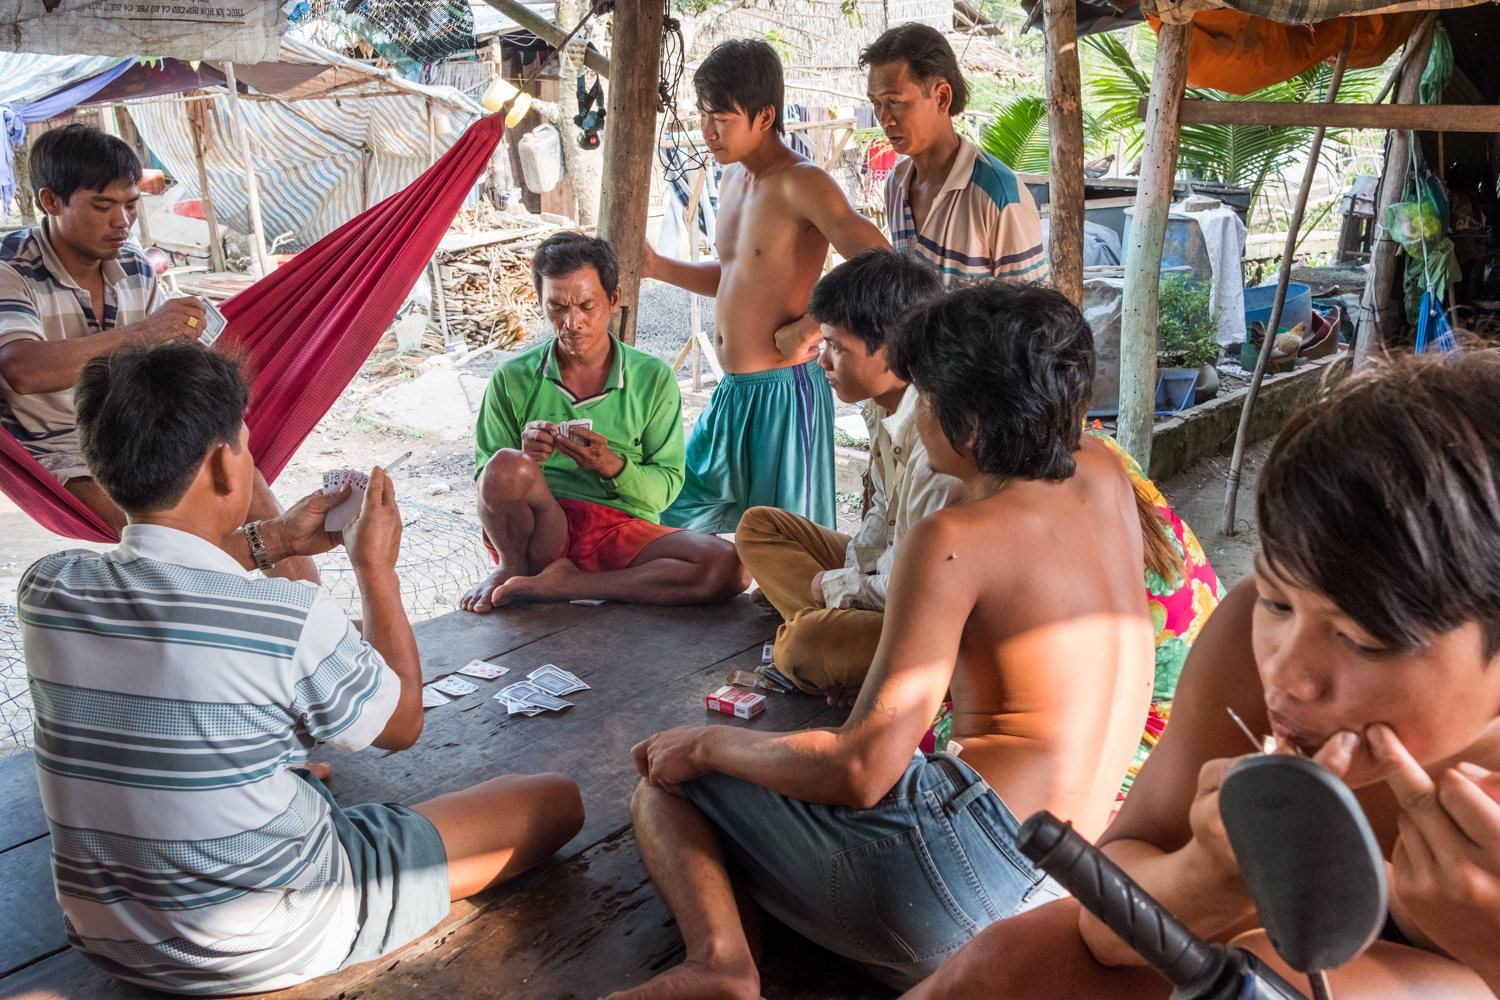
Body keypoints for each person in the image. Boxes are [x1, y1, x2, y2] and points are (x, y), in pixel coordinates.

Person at [615, 280, 1157, 1000]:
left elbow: (862, 767)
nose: (915, 409)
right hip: (1064, 877)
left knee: (665, 782)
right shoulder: (1107, 472)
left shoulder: (956, 539)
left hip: (954, 874)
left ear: (965, 426)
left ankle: (721, 964)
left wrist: (707, 744)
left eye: (925, 396)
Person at [900, 351, 1500, 1000]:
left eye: (1363, 641)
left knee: (1273, 971)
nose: (1288, 675)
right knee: (1004, 965)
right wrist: (1207, 874)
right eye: (1278, 600)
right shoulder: (1247, 641)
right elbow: (1112, 905)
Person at [19, 339, 584, 995]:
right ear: (225, 468)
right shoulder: (282, 616)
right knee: (553, 802)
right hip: (266, 936)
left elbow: (168, 571)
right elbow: (400, 725)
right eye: (247, 446)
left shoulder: (48, 587)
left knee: (280, 763)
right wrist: (376, 572)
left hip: (110, 938)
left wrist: (276, 539)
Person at [0, 123, 317, 581]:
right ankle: (279, 601)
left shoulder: (133, 266)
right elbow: (21, 371)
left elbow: (158, 365)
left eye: (131, 206)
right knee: (179, 538)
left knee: (246, 477)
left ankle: (313, 612)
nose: (122, 223)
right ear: (51, 202)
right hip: (55, 450)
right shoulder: (11, 270)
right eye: (103, 206)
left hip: (136, 429)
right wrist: (145, 331)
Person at [645, 38, 890, 534]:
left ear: (764, 116)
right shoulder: (732, 178)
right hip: (731, 393)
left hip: (787, 391)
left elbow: (883, 266)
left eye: (723, 118)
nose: (708, 131)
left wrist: (816, 325)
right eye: (704, 115)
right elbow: (738, 277)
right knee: (668, 514)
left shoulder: (804, 183)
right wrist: (656, 266)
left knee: (787, 548)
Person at [460, 232, 749, 612]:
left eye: (586, 305)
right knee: (504, 465)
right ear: (542, 302)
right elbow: (488, 480)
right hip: (542, 530)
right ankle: (513, 569)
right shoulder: (512, 377)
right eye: (557, 307)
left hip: (622, 528)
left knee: (729, 567)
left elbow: (664, 490)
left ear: (614, 300)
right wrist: (526, 459)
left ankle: (567, 585)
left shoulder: (653, 378)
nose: (572, 322)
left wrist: (609, 465)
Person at [735, 248, 955, 693]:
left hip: (927, 615)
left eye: (835, 346)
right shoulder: (881, 406)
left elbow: (911, 586)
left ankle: (836, 648)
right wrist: (840, 581)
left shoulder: (939, 443)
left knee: (803, 646)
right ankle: (840, 644)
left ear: (895, 352)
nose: (822, 361)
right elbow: (882, 520)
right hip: (892, 575)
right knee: (759, 527)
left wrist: (825, 587)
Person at [863, 24, 1048, 286]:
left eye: (895, 101)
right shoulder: (895, 185)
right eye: (876, 103)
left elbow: (1033, 319)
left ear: (942, 97)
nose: (884, 119)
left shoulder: (999, 197)